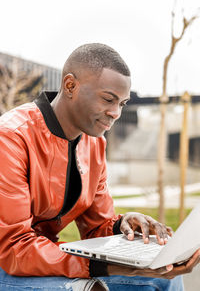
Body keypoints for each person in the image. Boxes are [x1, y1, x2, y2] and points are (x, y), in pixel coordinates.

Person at [0, 43, 199, 291]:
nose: (115, 113)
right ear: (70, 85)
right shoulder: (10, 137)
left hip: (42, 258)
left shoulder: (94, 144)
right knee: (90, 288)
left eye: (122, 103)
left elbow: (95, 229)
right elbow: (13, 248)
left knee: (163, 276)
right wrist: (104, 269)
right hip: (7, 263)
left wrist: (122, 225)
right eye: (108, 99)